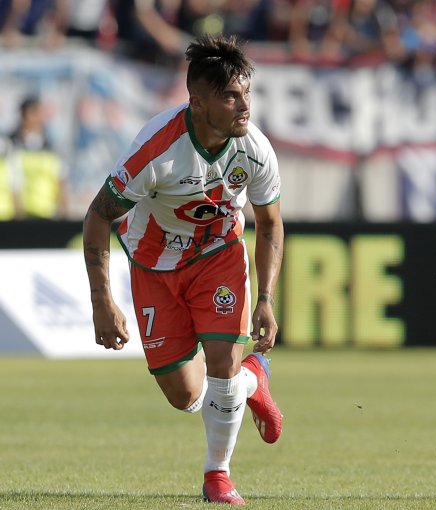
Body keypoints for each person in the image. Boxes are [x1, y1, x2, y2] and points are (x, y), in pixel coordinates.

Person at [82, 34, 284, 505]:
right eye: (230, 95)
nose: (244, 105)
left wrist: (267, 299)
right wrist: (102, 301)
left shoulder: (254, 149)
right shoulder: (156, 150)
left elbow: (270, 223)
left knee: (220, 367)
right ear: (197, 101)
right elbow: (97, 216)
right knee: (185, 395)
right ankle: (254, 378)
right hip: (154, 264)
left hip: (219, 257)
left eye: (246, 92)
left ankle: (218, 477)